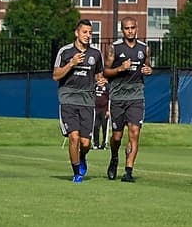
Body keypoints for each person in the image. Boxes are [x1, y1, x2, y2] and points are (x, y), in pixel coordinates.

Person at [52, 20, 106, 183]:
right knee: (73, 137)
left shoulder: (96, 54)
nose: (88, 35)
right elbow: (56, 76)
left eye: (90, 33)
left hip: (88, 102)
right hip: (68, 99)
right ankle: (77, 173)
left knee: (86, 143)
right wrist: (72, 63)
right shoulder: (65, 51)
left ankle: (82, 156)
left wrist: (101, 81)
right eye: (85, 32)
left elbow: (98, 76)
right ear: (77, 33)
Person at [104, 18, 152, 182]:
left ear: (136, 29)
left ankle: (128, 170)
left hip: (136, 96)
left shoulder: (144, 48)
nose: (130, 31)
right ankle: (114, 157)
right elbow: (105, 72)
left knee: (134, 132)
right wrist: (120, 69)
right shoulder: (114, 48)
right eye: (127, 28)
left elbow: (147, 66)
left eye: (133, 28)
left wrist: (148, 70)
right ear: (122, 30)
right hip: (118, 96)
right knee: (117, 137)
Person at [93, 76, 111, 149]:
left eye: (103, 79)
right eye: (100, 79)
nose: (101, 80)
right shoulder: (95, 86)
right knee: (95, 126)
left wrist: (108, 110)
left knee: (104, 126)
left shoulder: (107, 87)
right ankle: (96, 144)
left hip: (104, 110)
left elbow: (110, 99)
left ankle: (104, 143)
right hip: (96, 109)